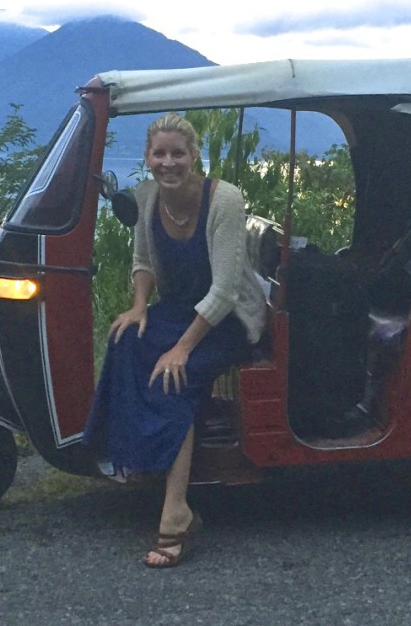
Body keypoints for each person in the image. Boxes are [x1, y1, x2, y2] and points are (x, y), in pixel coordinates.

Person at [82, 112, 266, 567]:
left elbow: (224, 292)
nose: (168, 163)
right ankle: (134, 459)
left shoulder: (224, 199)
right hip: (177, 310)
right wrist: (139, 305)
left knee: (171, 376)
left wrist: (181, 348)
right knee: (124, 341)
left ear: (194, 155)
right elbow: (143, 261)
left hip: (226, 321)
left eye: (177, 153)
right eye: (159, 154)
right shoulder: (148, 199)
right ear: (147, 158)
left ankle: (176, 511)